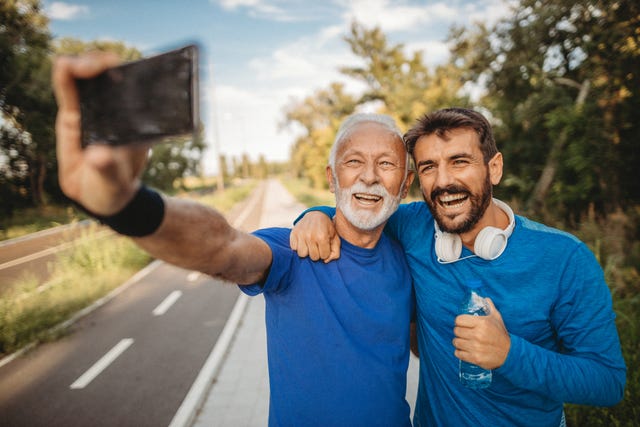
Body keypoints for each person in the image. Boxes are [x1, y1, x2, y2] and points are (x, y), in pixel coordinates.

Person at [52, 52, 417, 427]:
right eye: (354, 162)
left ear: (405, 185)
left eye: (386, 164)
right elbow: (221, 246)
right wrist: (126, 206)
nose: (369, 176)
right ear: (331, 178)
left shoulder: (410, 256)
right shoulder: (293, 251)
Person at [290, 107, 627, 426]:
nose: (443, 181)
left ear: (494, 168)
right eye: (428, 167)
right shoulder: (413, 225)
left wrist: (510, 354)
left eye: (459, 161)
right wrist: (315, 215)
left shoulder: (565, 258)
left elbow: (607, 381)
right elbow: (361, 207)